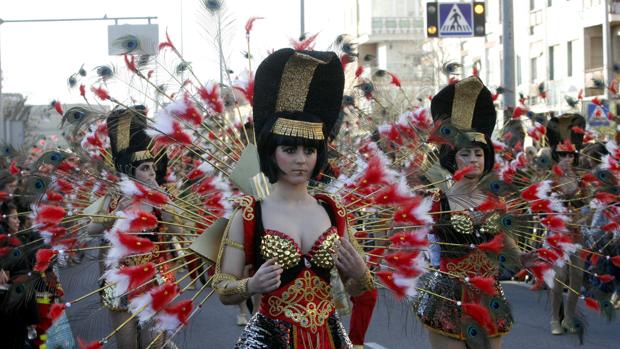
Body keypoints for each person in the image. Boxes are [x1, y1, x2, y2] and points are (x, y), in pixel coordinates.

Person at [212, 48, 374, 349]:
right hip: (271, 339)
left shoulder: (331, 210)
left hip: (329, 338)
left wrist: (359, 274)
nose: (301, 160)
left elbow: (358, 286)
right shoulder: (249, 214)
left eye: (309, 151)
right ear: (272, 152)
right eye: (290, 150)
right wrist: (251, 285)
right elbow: (223, 287)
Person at [412, 77, 527, 349]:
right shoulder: (437, 202)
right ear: (453, 159)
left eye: (478, 153)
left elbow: (506, 242)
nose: (473, 159)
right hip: (448, 298)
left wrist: (525, 259)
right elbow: (406, 239)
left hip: (489, 296)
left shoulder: (495, 200)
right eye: (466, 154)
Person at [545, 114, 586, 335]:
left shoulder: (581, 177)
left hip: (577, 233)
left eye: (571, 153)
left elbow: (588, 201)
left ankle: (569, 318)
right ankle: (554, 319)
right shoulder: (549, 177)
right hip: (557, 233)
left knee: (577, 277)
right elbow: (540, 203)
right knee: (559, 276)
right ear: (555, 154)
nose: (567, 157)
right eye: (562, 153)